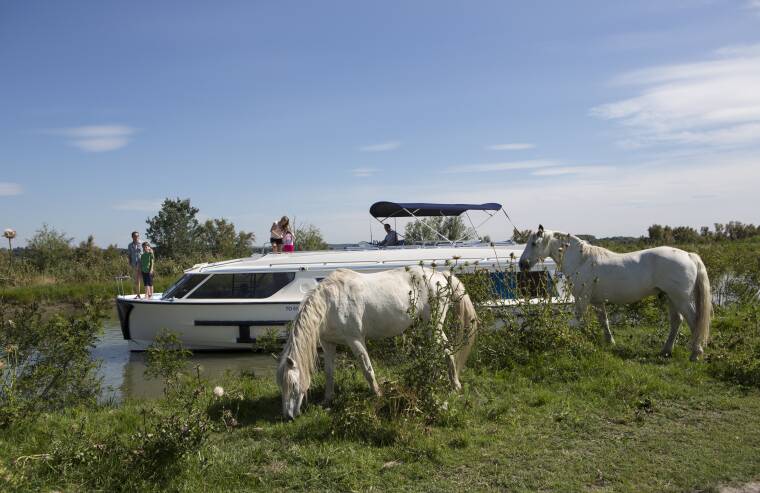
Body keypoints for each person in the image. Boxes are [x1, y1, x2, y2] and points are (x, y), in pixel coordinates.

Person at [127, 231, 143, 298]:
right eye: (135, 236)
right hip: (134, 264)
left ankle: (148, 293)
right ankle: (138, 294)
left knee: (145, 278)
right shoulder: (130, 245)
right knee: (137, 280)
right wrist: (130, 263)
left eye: (137, 236)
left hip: (142, 264)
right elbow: (129, 255)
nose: (136, 237)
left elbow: (148, 252)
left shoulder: (142, 243)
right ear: (132, 237)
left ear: (139, 236)